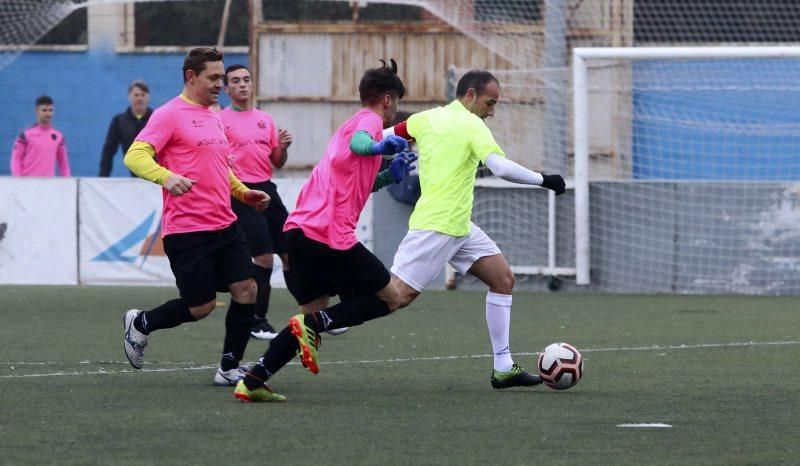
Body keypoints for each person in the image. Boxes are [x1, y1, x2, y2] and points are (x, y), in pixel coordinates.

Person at [233, 59, 416, 402]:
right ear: (388, 100)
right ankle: (317, 325)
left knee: (308, 316)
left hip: (300, 233)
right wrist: (379, 147)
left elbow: (355, 180)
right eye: (395, 105)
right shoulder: (369, 122)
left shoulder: (347, 125)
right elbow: (363, 145)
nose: (393, 115)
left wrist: (388, 176)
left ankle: (254, 379)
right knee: (391, 298)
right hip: (328, 236)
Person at [384, 69, 566, 389]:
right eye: (490, 103)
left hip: (458, 226)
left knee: (502, 279)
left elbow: (385, 135)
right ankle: (325, 319)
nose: (492, 111)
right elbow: (500, 168)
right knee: (396, 298)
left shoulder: (428, 118)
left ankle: (503, 367)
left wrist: (361, 145)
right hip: (437, 226)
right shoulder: (472, 125)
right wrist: (544, 179)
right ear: (470, 95)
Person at [121, 47, 273, 390]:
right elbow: (135, 155)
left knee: (247, 288)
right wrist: (165, 176)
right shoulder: (168, 114)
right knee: (201, 306)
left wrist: (243, 193)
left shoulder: (213, 116)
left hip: (225, 224)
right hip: (188, 229)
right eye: (214, 78)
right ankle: (142, 322)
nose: (221, 84)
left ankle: (229, 367)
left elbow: (223, 169)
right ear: (192, 77)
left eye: (222, 77)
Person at [220, 64, 294, 340]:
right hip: (241, 192)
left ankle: (313, 314)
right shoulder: (220, 120)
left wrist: (283, 149)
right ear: (227, 89)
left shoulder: (265, 119)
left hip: (268, 188)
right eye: (236, 81)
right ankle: (256, 320)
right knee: (263, 257)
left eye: (246, 80)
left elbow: (277, 161)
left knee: (290, 252)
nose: (242, 84)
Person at [99, 81, 154, 177]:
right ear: (129, 97)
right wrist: (103, 177)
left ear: (148, 97)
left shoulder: (157, 119)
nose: (139, 98)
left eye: (143, 95)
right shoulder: (119, 121)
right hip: (133, 177)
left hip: (157, 177)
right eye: (136, 95)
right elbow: (109, 150)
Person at [10, 95, 71, 177]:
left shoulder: (59, 136)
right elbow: (16, 160)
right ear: (36, 110)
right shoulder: (25, 134)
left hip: (49, 185)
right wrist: (18, 180)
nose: (48, 113)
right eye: (44, 110)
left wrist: (67, 183)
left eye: (51, 110)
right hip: (27, 184)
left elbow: (63, 164)